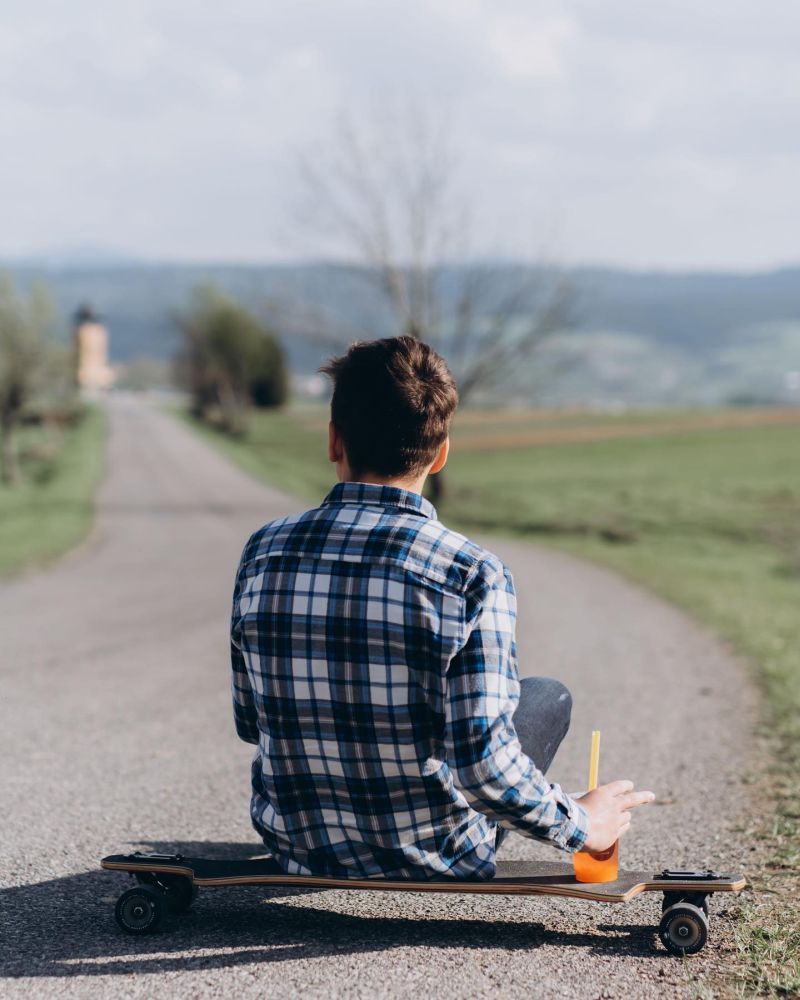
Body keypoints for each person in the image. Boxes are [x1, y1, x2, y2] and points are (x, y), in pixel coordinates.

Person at [230, 335, 654, 879]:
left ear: (334, 440)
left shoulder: (264, 550)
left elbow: (251, 720)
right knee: (546, 696)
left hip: (299, 845)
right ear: (441, 451)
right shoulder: (473, 573)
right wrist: (581, 822)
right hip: (438, 853)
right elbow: (483, 771)